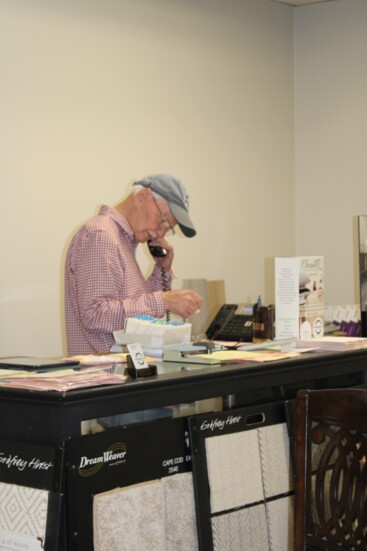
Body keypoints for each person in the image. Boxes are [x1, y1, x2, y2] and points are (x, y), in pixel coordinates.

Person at [64, 173, 202, 356]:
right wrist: (165, 300)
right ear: (142, 197)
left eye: (168, 229)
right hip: (106, 379)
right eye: (162, 220)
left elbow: (136, 315)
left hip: (121, 377)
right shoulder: (102, 236)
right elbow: (95, 314)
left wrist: (162, 270)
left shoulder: (124, 241)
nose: (160, 233)